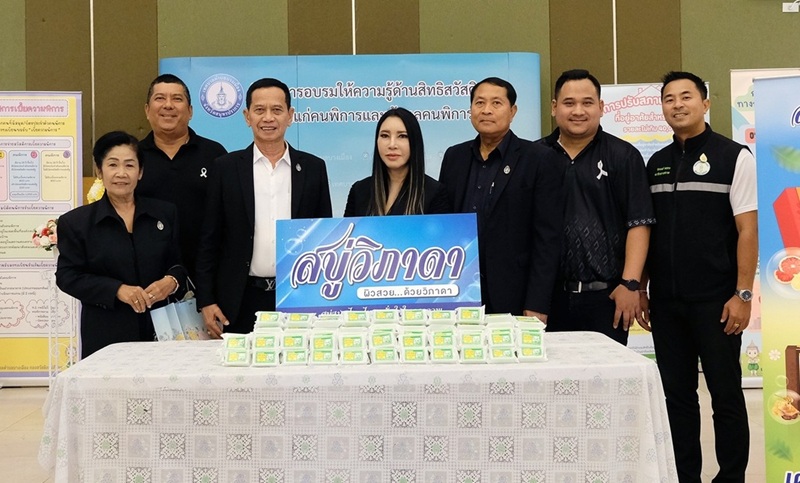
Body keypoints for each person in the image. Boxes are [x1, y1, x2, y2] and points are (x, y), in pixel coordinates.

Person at [639, 71, 757, 483]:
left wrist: (743, 294)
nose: (677, 105)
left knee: (725, 397)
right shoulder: (656, 163)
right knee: (677, 399)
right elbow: (648, 231)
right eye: (669, 98)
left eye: (686, 96)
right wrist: (643, 288)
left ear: (705, 103)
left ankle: (731, 478)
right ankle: (684, 476)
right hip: (667, 304)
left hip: (717, 302)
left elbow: (747, 230)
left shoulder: (734, 156)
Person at [195, 78, 333, 337]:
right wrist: (206, 300)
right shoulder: (225, 168)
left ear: (290, 116)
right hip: (238, 300)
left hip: (297, 297)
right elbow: (209, 239)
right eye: (260, 110)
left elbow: (324, 238)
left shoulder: (313, 168)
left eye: (276, 110)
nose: (268, 118)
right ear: (247, 116)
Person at [538, 69, 655, 345]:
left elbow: (639, 223)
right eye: (569, 103)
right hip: (547, 298)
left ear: (601, 107)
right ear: (554, 107)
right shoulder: (536, 156)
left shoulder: (623, 155)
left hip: (608, 297)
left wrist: (630, 285)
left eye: (587, 103)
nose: (578, 111)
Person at [438, 77, 562, 317]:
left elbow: (548, 238)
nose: (486, 110)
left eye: (496, 103)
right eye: (479, 103)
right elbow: (445, 226)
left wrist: (537, 303)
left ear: (512, 111)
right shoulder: (454, 157)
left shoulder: (538, 159)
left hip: (515, 294)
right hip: (459, 291)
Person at [56, 131, 187, 358]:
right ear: (100, 171)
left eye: (129, 165)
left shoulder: (165, 213)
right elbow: (68, 277)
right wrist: (116, 290)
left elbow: (180, 263)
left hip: (162, 330)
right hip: (106, 331)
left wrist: (172, 281)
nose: (121, 173)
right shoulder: (77, 222)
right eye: (113, 165)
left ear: (140, 172)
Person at [136, 74, 227, 280]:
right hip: (147, 278)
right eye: (160, 98)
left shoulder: (215, 154)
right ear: (147, 110)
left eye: (177, 99)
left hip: (206, 275)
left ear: (190, 111)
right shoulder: (133, 157)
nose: (168, 105)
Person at [344, 107, 450, 216]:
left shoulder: (434, 193)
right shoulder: (359, 190)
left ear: (414, 141)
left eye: (402, 136)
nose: (392, 145)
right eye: (385, 136)